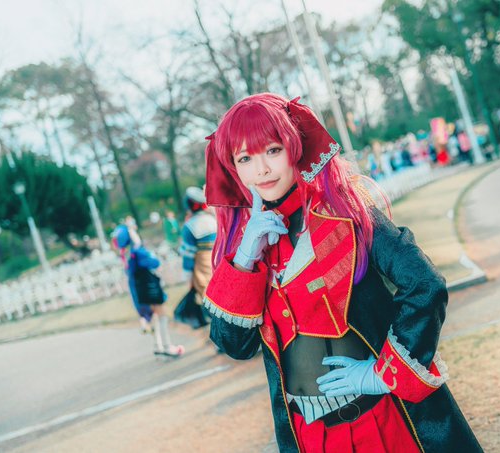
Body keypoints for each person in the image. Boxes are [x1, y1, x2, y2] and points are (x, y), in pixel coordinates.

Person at [202, 94, 482, 452]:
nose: (262, 170)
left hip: (383, 420)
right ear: (233, 167)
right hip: (308, 437)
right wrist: (245, 257)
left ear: (294, 146)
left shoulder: (345, 212)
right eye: (245, 158)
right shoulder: (248, 245)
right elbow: (233, 345)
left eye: (272, 150)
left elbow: (424, 283)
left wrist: (381, 373)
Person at [112, 225, 184, 357]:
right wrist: (139, 245)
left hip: (139, 289)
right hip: (149, 287)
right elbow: (155, 262)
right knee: (161, 315)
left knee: (153, 317)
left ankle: (158, 345)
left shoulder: (126, 254)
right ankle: (167, 346)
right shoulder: (138, 252)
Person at [180, 187, 216, 305]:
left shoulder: (189, 226)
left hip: (203, 268)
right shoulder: (214, 219)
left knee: (210, 301)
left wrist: (188, 279)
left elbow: (188, 257)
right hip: (220, 263)